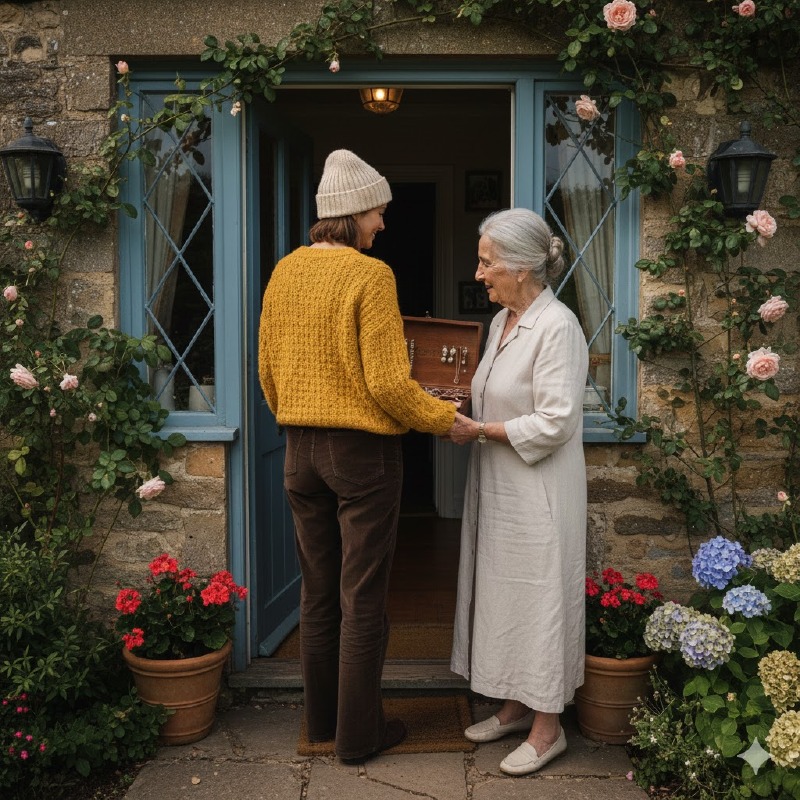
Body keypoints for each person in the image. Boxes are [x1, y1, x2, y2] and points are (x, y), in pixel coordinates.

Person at [258, 149, 473, 763]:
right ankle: (359, 736)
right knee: (364, 597)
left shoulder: (285, 272)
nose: (383, 224)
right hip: (362, 457)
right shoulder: (369, 276)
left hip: (300, 451)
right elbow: (385, 383)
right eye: (379, 211)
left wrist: (296, 414)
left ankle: (321, 726)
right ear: (353, 213)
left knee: (318, 594)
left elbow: (267, 371)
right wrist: (445, 420)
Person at [447, 207, 589, 776]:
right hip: (500, 489)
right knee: (503, 597)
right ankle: (510, 706)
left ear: (524, 267)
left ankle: (547, 728)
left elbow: (556, 421)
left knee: (541, 602)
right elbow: (493, 397)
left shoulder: (558, 327)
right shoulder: (504, 323)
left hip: (540, 496)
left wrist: (480, 430)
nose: (478, 273)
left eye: (486, 263)